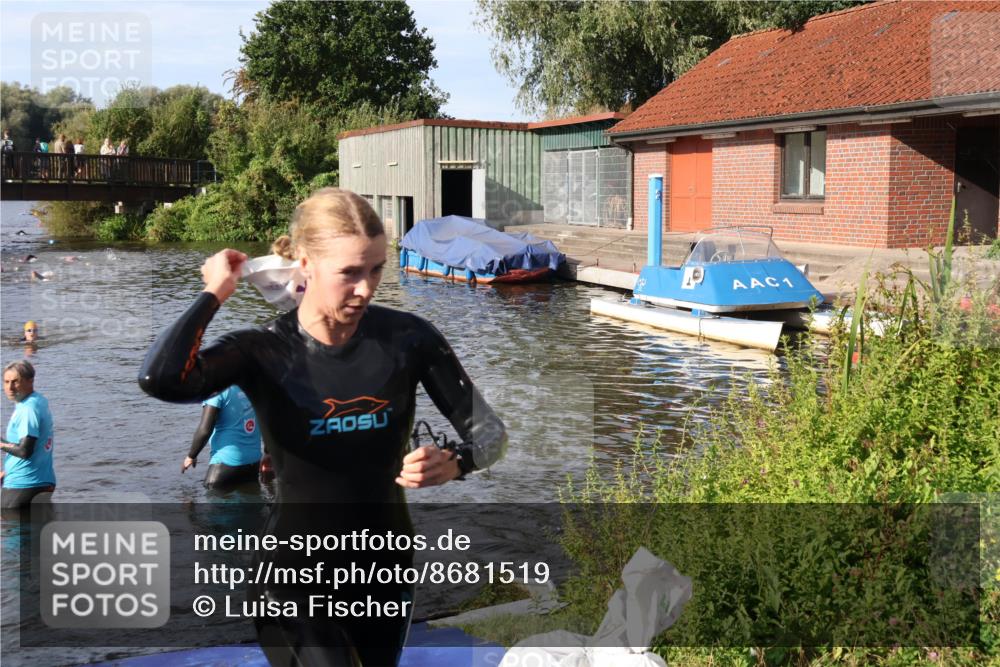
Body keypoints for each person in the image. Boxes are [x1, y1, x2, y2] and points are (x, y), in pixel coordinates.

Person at [138, 187, 507, 666]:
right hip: (293, 574)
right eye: (350, 273)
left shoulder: (409, 340)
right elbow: (161, 378)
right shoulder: (262, 351)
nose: (367, 288)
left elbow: (491, 434)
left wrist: (455, 463)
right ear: (305, 264)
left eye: (376, 268)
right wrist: (214, 293)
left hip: (384, 569)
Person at [184, 385, 262, 489]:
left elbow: (204, 431)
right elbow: (269, 421)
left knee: (211, 498)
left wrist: (191, 456)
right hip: (253, 463)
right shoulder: (253, 385)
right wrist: (268, 452)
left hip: (226, 463)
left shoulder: (217, 391)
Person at [1, 361, 55, 509]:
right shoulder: (39, 401)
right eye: (6, 382)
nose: (10, 388)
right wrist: (7, 472)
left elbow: (25, 451)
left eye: (15, 382)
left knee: (11, 530)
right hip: (43, 482)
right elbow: (39, 444)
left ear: (30, 381)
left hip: (23, 486)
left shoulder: (27, 409)